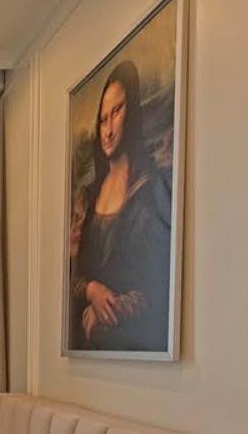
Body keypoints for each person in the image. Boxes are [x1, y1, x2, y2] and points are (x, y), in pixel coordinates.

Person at [70, 60, 172, 352]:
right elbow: (74, 275)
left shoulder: (151, 189)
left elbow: (158, 284)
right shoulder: (89, 196)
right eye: (103, 119)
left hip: (129, 338)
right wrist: (91, 290)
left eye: (116, 112)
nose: (108, 130)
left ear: (132, 113)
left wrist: (111, 308)